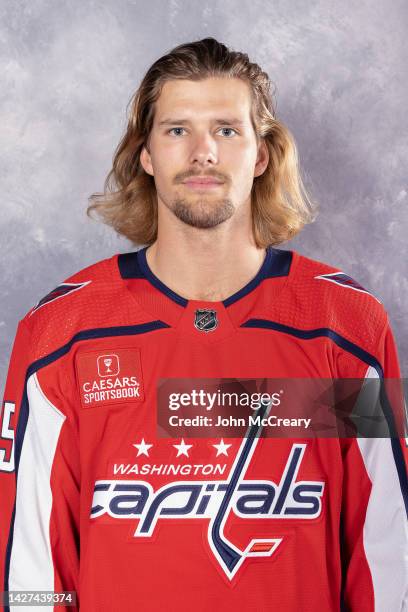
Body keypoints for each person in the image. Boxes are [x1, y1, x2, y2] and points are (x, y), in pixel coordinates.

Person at [0, 37, 406, 612]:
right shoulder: (62, 332)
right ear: (145, 154)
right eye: (176, 130)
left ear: (261, 155)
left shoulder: (344, 326)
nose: (202, 152)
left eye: (226, 129)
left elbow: (385, 548)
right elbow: (32, 570)